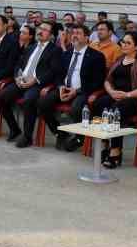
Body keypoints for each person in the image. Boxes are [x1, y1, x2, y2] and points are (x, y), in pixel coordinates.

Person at [39, 23, 108, 152]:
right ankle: (60, 133)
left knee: (76, 108)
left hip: (83, 91)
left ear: (87, 37)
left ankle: (79, 138)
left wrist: (76, 91)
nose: (74, 36)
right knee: (43, 103)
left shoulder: (97, 56)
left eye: (78, 33)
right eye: (73, 33)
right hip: (64, 89)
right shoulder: (66, 54)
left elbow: (98, 82)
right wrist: (60, 86)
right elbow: (58, 74)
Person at [0, 21, 63, 146]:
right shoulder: (31, 47)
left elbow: (53, 71)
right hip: (22, 81)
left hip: (37, 84)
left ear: (51, 35)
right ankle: (14, 129)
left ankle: (27, 137)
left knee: (29, 100)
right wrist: (17, 77)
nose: (40, 31)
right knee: (1, 97)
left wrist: (35, 80)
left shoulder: (55, 50)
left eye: (45, 30)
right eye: (40, 28)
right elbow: (18, 64)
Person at [99, 32, 137, 166]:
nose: (123, 45)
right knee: (98, 104)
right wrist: (111, 92)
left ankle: (115, 150)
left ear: (136, 46)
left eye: (127, 43)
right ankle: (104, 143)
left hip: (135, 99)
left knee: (116, 110)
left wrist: (127, 95)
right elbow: (107, 80)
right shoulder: (119, 60)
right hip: (115, 96)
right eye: (122, 42)